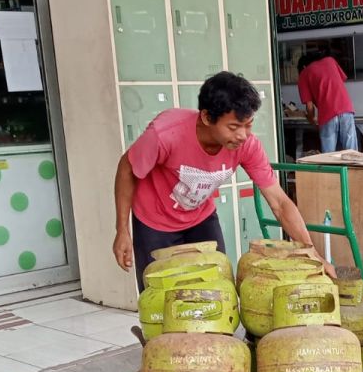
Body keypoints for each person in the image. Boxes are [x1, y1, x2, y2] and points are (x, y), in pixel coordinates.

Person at [112, 71, 332, 285]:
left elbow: (280, 202)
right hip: (155, 222)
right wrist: (122, 229)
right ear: (207, 117)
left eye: (248, 125)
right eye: (234, 127)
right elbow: (126, 169)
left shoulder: (247, 145)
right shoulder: (165, 134)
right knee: (160, 299)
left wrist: (311, 251)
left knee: (219, 290)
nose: (242, 135)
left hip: (200, 218)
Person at [297, 51, 357, 153]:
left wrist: (311, 119)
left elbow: (309, 106)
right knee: (351, 151)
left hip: (327, 114)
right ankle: (354, 169)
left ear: (303, 66)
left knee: (328, 155)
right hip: (346, 108)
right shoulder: (330, 61)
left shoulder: (304, 73)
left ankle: (330, 169)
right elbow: (338, 82)